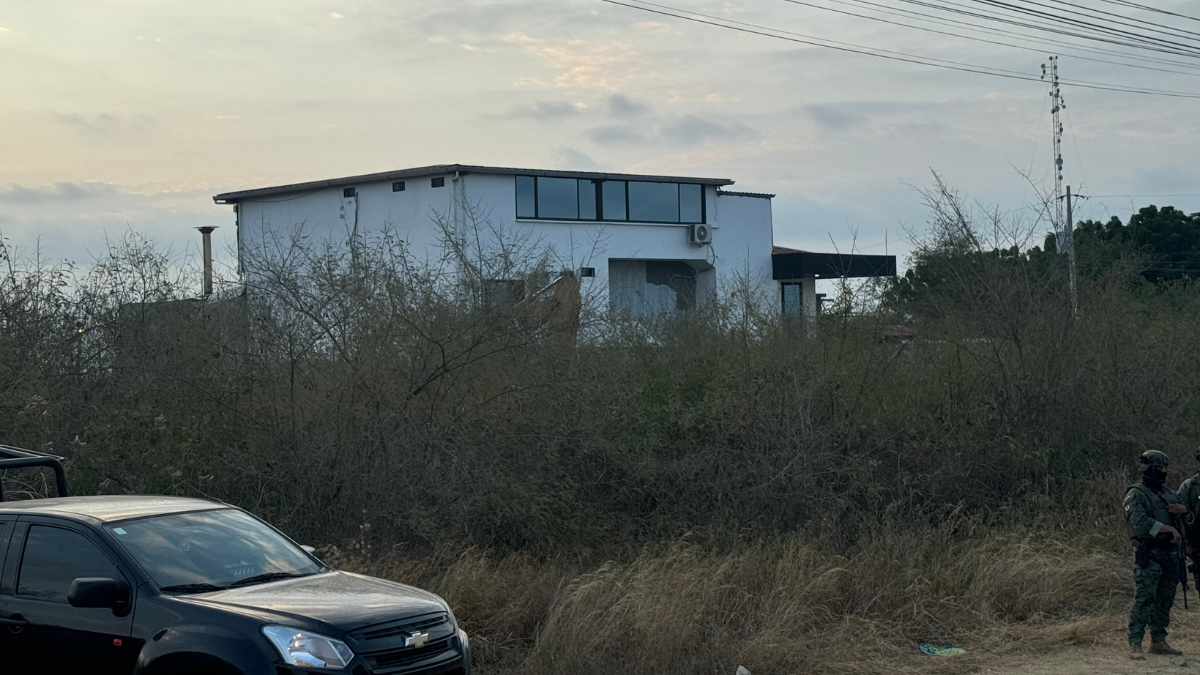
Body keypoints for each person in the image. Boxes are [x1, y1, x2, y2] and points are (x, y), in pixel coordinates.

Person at [1125, 450, 1191, 659]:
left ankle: (1159, 641)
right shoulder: (1136, 494)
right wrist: (1166, 529)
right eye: (1160, 468)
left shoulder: (1169, 493)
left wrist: (1185, 512)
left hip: (1171, 554)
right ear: (1149, 469)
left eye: (1165, 468)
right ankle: (1135, 642)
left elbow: (1188, 520)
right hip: (1149, 553)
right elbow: (1137, 520)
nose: (1163, 472)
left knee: (1165, 599)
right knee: (1144, 598)